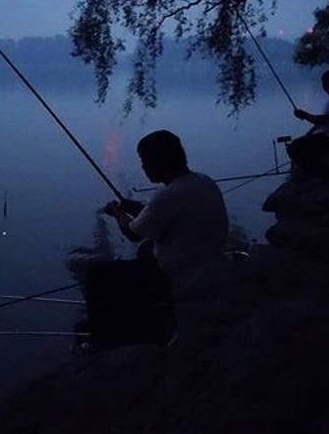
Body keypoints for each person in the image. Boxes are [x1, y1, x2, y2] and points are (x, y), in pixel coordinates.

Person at [81, 130, 229, 351]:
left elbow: (133, 233)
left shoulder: (167, 196)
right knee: (146, 252)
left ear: (158, 162)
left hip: (181, 275)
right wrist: (138, 208)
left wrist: (117, 212)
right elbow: (169, 216)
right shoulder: (203, 181)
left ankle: (101, 339)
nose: (143, 166)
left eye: (144, 160)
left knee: (96, 275)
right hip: (210, 262)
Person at [288, 69, 329, 178]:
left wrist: (305, 115)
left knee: (293, 148)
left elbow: (322, 120)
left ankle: (317, 174)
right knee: (304, 142)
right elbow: (325, 121)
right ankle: (320, 169)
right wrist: (309, 133)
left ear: (325, 84)